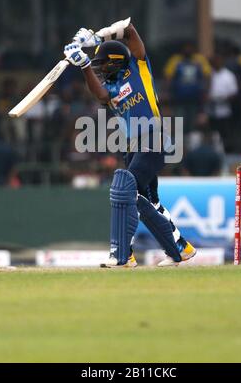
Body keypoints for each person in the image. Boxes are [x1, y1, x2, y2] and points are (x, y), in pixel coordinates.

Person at [63, 19, 196, 267]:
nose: (99, 70)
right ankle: (180, 250)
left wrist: (97, 38)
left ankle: (122, 256)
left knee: (125, 188)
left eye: (102, 64)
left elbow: (131, 29)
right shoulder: (110, 88)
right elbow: (100, 94)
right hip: (132, 147)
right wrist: (83, 66)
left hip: (153, 139)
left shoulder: (139, 68)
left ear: (115, 60)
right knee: (148, 202)